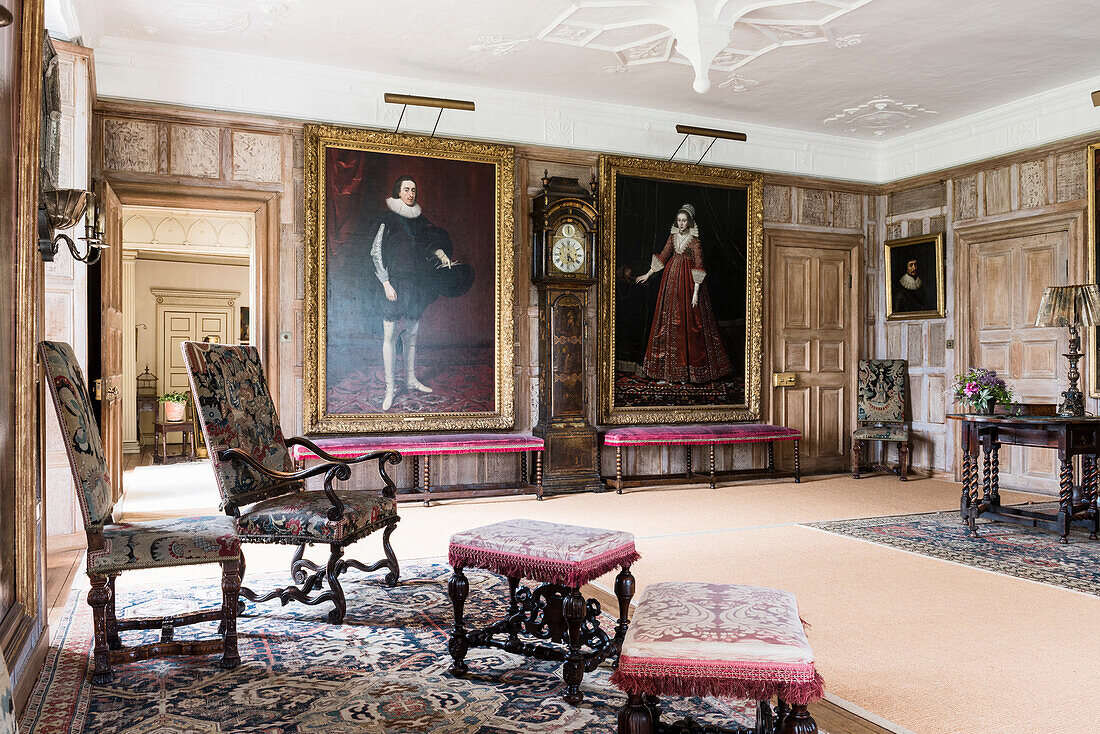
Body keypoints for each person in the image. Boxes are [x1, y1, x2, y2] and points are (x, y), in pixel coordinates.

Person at [367, 175, 471, 411]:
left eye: (413, 190)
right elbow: (376, 252)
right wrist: (385, 283)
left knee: (413, 333)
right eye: (406, 189)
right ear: (398, 193)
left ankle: (411, 379)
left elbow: (430, 243)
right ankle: (390, 388)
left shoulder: (420, 220)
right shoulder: (387, 220)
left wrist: (443, 256)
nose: (411, 194)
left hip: (417, 284)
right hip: (394, 283)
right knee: (390, 335)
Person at [634, 203, 731, 383]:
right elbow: (663, 256)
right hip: (670, 281)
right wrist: (648, 274)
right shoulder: (672, 238)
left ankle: (689, 372)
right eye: (679, 220)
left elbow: (698, 265)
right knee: (669, 320)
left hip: (688, 284)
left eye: (684, 220)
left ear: (690, 222)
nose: (681, 223)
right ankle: (667, 371)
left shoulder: (695, 242)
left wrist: (695, 293)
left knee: (689, 322)